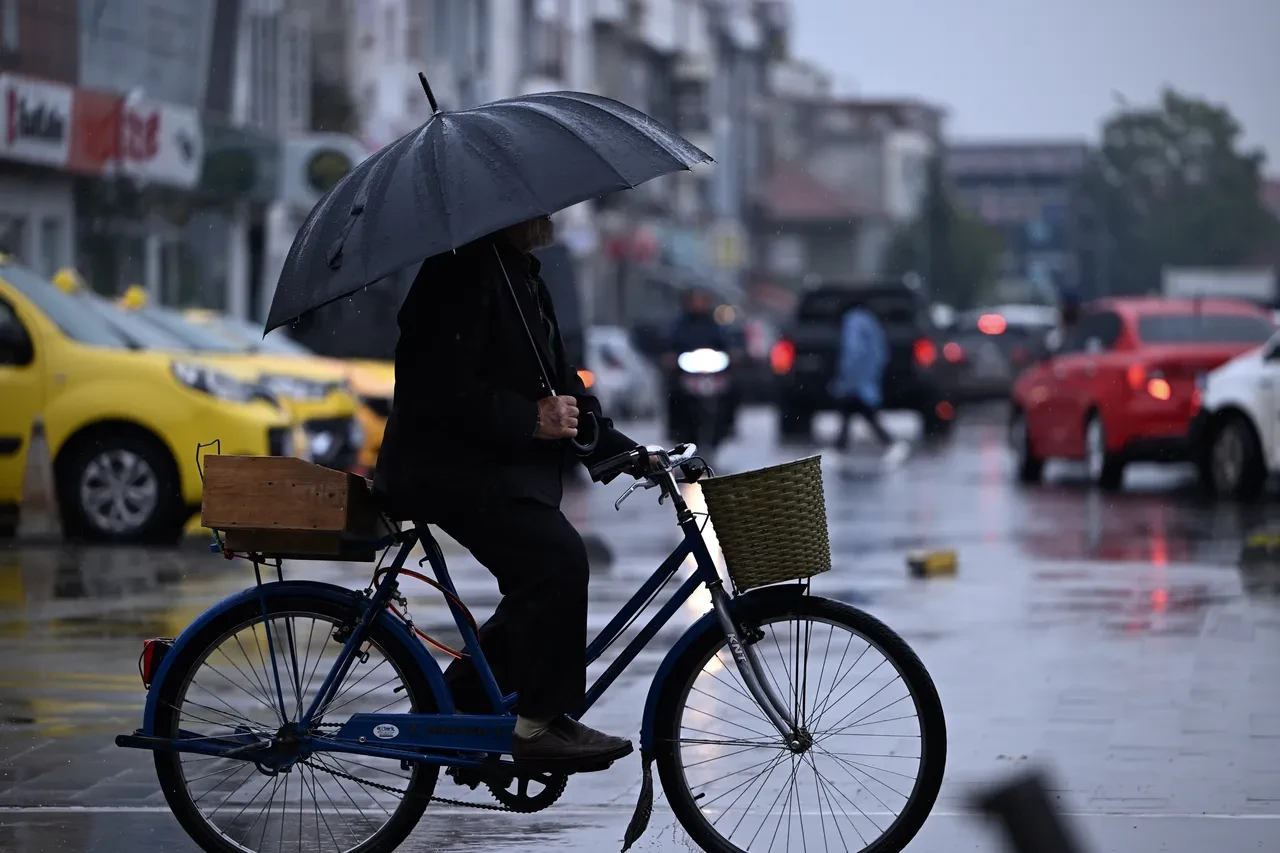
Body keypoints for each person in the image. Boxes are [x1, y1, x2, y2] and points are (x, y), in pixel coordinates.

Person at [372, 215, 638, 766]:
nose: (551, 218)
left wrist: (625, 452)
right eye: (539, 208)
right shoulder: (457, 274)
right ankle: (539, 725)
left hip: (490, 470)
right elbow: (436, 391)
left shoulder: (519, 273)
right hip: (445, 470)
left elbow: (560, 385)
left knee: (536, 584)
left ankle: (457, 707)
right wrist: (528, 419)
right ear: (509, 210)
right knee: (557, 563)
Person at [830, 306, 909, 466]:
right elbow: (881, 354)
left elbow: (852, 351)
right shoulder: (870, 322)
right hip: (865, 380)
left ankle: (890, 443)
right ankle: (840, 447)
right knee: (853, 414)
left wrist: (845, 377)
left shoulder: (852, 323)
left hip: (856, 382)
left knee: (860, 413)